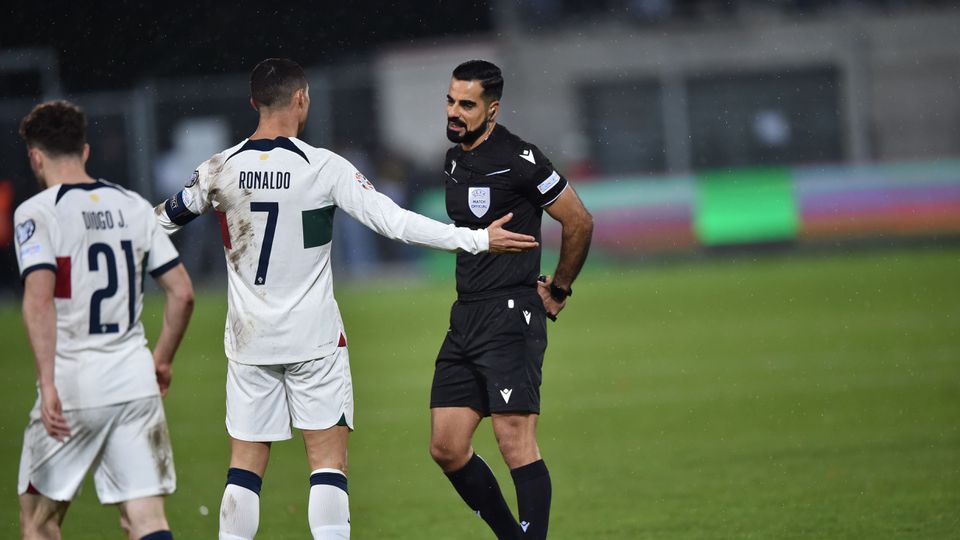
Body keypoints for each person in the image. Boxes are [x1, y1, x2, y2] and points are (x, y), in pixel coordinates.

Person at [153, 58, 538, 540]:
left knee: (245, 469)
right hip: (314, 340)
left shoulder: (217, 169)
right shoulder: (323, 168)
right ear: (302, 99)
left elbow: (155, 224)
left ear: (254, 104)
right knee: (327, 465)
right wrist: (477, 239)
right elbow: (395, 222)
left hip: (249, 341)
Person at [14, 100, 194, 540]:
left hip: (73, 385)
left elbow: (39, 300)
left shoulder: (37, 213)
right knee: (145, 520)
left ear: (35, 157)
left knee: (38, 522)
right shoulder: (133, 206)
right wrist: (163, 360)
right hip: (134, 382)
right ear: (86, 151)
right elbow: (183, 294)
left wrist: (49, 382)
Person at [429, 60, 594, 539]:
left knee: (513, 441)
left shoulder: (520, 159)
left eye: (466, 105)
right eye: (450, 100)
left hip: (510, 316)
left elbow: (579, 220)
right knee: (446, 446)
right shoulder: (453, 159)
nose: (454, 112)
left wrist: (559, 289)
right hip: (465, 317)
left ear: (492, 109)